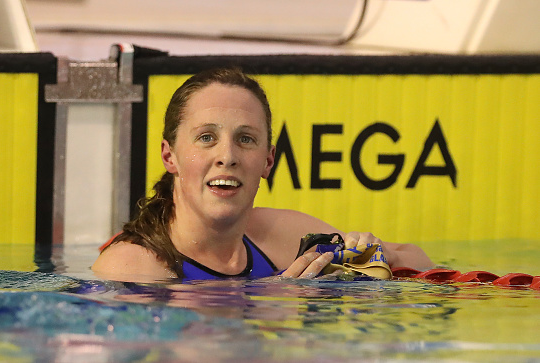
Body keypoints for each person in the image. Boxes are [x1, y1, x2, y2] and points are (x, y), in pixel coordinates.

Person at [92, 68, 434, 282]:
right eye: (206, 138)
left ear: (268, 161)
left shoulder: (281, 236)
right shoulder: (132, 267)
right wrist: (273, 303)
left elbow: (419, 260)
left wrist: (372, 257)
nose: (227, 156)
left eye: (246, 139)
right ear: (171, 157)